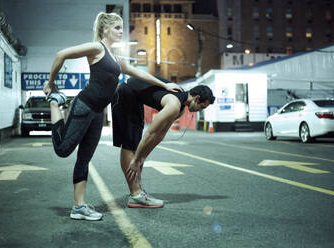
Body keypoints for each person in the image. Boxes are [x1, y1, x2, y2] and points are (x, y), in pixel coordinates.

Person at [43, 12, 181, 221]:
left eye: (121, 28)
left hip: (98, 113)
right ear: (105, 29)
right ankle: (55, 102)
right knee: (63, 150)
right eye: (117, 27)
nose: (120, 32)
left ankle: (79, 207)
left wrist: (163, 84)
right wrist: (50, 83)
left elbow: (137, 72)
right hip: (85, 105)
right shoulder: (97, 48)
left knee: (84, 158)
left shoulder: (115, 58)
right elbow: (61, 54)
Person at [112, 76, 215, 208]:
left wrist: (143, 156)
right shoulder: (174, 104)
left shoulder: (180, 108)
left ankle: (137, 191)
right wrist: (137, 159)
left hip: (134, 96)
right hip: (125, 92)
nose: (200, 110)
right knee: (130, 142)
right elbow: (150, 133)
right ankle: (136, 194)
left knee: (136, 145)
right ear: (196, 98)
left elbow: (160, 135)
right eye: (202, 106)